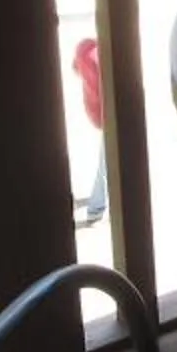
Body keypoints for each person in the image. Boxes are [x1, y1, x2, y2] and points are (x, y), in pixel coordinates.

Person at [71, 35, 107, 226]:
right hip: (110, 114)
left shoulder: (85, 54)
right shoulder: (99, 56)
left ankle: (97, 204)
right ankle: (96, 207)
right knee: (108, 163)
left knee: (107, 161)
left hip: (100, 115)